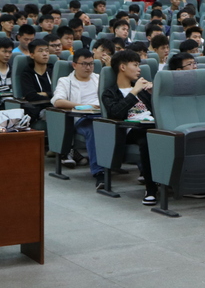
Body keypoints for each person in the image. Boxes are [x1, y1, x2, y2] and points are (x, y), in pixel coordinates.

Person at [101, 50, 158, 205]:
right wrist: (134, 91)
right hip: (131, 129)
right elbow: (116, 113)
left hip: (151, 124)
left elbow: (158, 110)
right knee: (147, 140)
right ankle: (151, 189)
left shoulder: (143, 90)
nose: (139, 70)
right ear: (123, 67)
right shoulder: (110, 93)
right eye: (135, 65)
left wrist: (154, 93)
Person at [51, 48, 104, 181]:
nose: (88, 67)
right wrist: (84, 106)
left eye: (91, 64)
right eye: (84, 64)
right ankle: (99, 172)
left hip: (102, 115)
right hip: (81, 118)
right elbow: (57, 101)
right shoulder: (65, 81)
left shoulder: (99, 78)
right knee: (93, 129)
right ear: (74, 65)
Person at [19, 39, 53, 125]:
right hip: (40, 109)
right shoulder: (27, 74)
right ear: (32, 55)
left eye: (47, 51)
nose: (45, 54)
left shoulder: (54, 71)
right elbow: (31, 96)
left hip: (59, 106)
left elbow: (63, 92)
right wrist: (53, 96)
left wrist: (45, 94)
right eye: (40, 51)